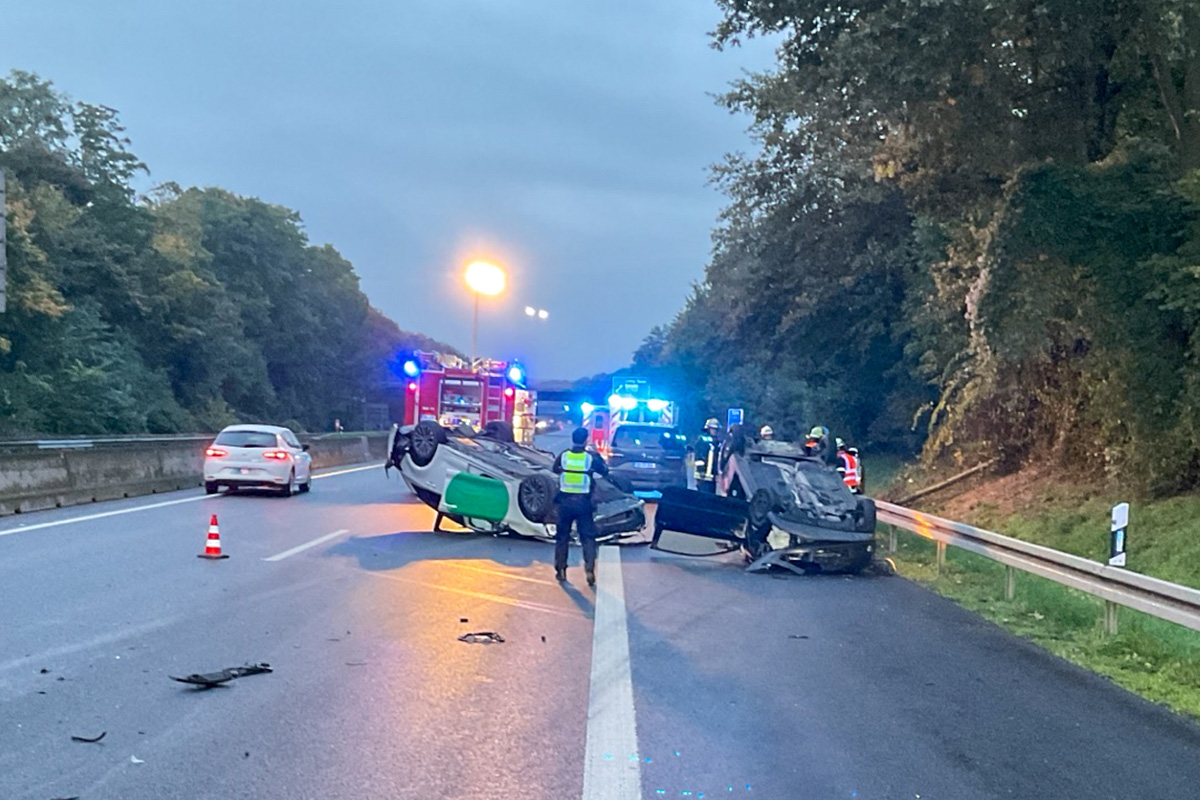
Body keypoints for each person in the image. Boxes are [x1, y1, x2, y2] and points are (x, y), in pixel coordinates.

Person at [552, 427, 609, 586]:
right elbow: (605, 471)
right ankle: (589, 568)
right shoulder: (590, 457)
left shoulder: (564, 456)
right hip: (584, 502)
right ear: (586, 440)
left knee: (562, 537)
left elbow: (555, 469)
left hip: (564, 502)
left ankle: (561, 570)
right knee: (588, 537)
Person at [693, 418, 721, 494]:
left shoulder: (716, 442)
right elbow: (699, 457)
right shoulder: (703, 440)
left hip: (712, 476)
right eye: (713, 429)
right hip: (703, 475)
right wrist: (701, 470)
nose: (715, 431)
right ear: (708, 429)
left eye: (716, 429)